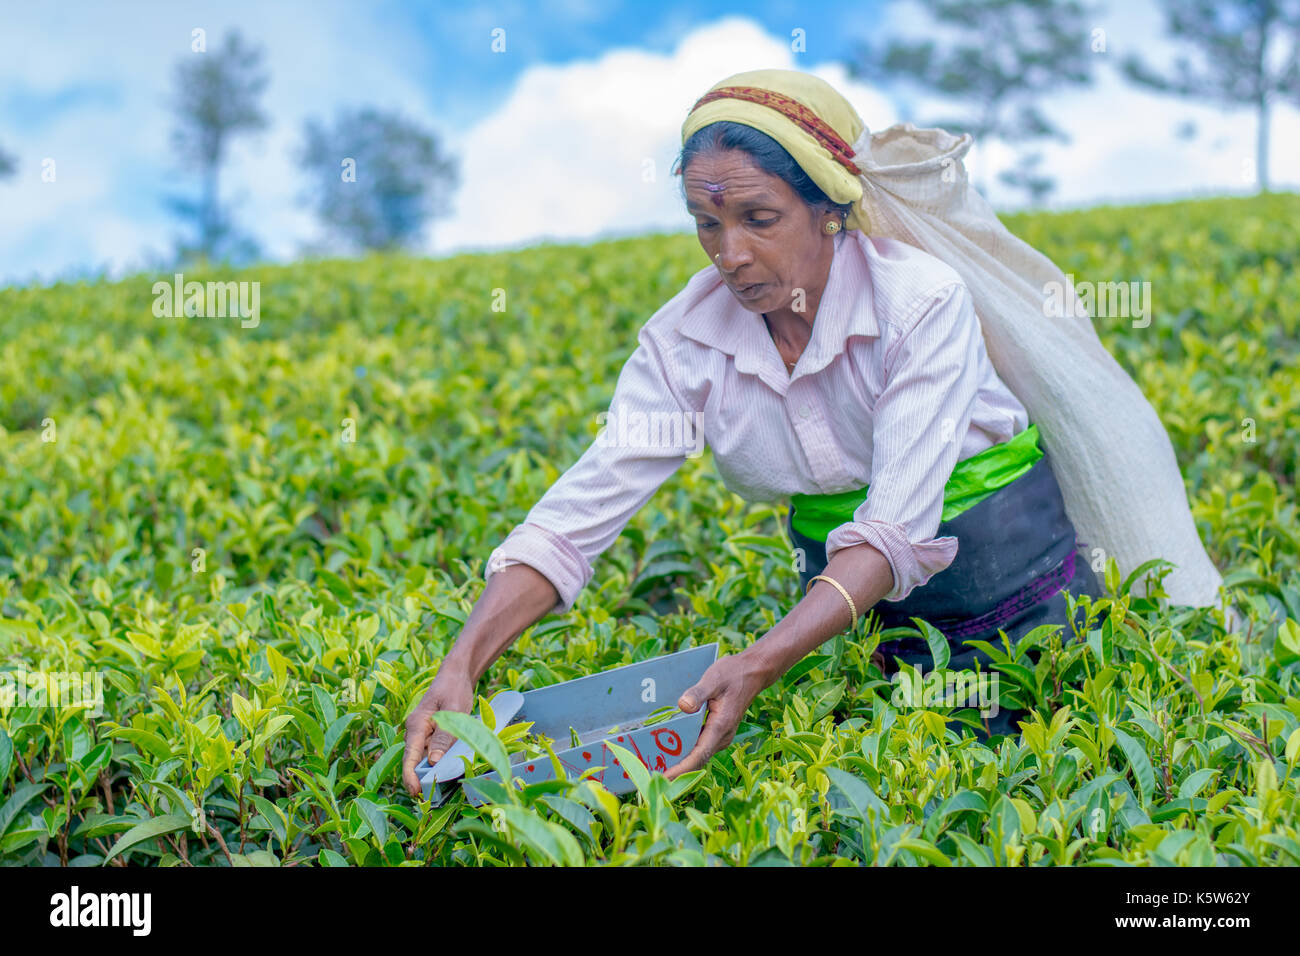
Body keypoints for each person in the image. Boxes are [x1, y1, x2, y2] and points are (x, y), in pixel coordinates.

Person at [401, 70, 1117, 798]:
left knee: (1039, 779)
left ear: (829, 212)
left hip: (1013, 580)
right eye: (707, 223)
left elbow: (894, 526)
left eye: (759, 218)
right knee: (888, 788)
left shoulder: (918, 303)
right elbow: (573, 522)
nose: (730, 252)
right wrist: (462, 664)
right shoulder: (685, 342)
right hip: (844, 611)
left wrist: (760, 660)